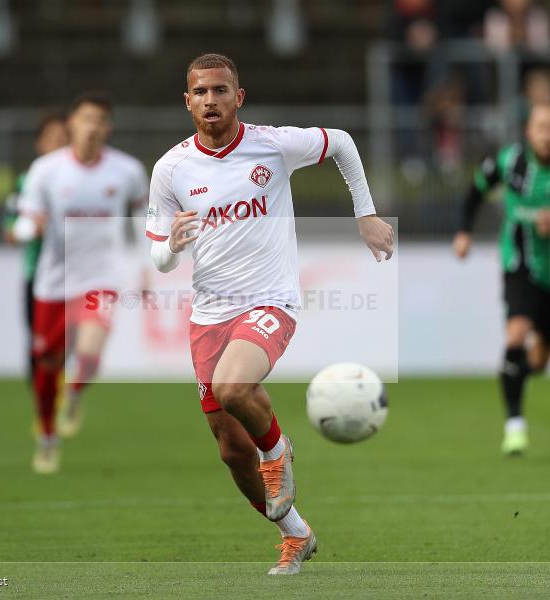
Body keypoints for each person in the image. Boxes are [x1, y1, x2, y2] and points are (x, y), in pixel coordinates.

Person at [145, 53, 394, 575]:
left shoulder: (273, 145)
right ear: (187, 101)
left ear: (239, 97)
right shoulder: (171, 169)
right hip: (209, 314)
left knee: (234, 388)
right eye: (200, 92)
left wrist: (366, 213)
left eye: (220, 90)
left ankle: (277, 452)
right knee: (231, 450)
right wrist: (172, 245)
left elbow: (342, 142)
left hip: (269, 301)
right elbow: (159, 258)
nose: (210, 100)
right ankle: (295, 533)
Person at [453, 104, 550, 456]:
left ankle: (513, 371)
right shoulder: (510, 162)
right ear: (529, 130)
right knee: (516, 333)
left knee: (538, 362)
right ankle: (515, 426)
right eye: (541, 128)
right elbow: (476, 190)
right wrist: (464, 231)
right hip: (520, 265)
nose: (547, 136)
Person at [12, 92, 150, 474]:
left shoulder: (127, 171)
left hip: (101, 279)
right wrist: (28, 229)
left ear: (108, 128)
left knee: (89, 353)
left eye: (100, 120)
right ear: (71, 123)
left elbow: (142, 219)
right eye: (86, 118)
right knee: (47, 366)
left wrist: (144, 267)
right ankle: (47, 436)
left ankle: (73, 394)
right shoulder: (46, 170)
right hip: (54, 283)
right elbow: (26, 219)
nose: (93, 126)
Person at [3, 112, 68, 383]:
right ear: (40, 144)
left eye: (64, 139)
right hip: (37, 274)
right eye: (53, 139)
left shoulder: (81, 181)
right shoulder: (26, 182)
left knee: (72, 344)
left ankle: (66, 397)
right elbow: (10, 233)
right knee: (40, 344)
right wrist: (31, 228)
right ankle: (43, 398)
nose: (59, 146)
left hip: (75, 275)